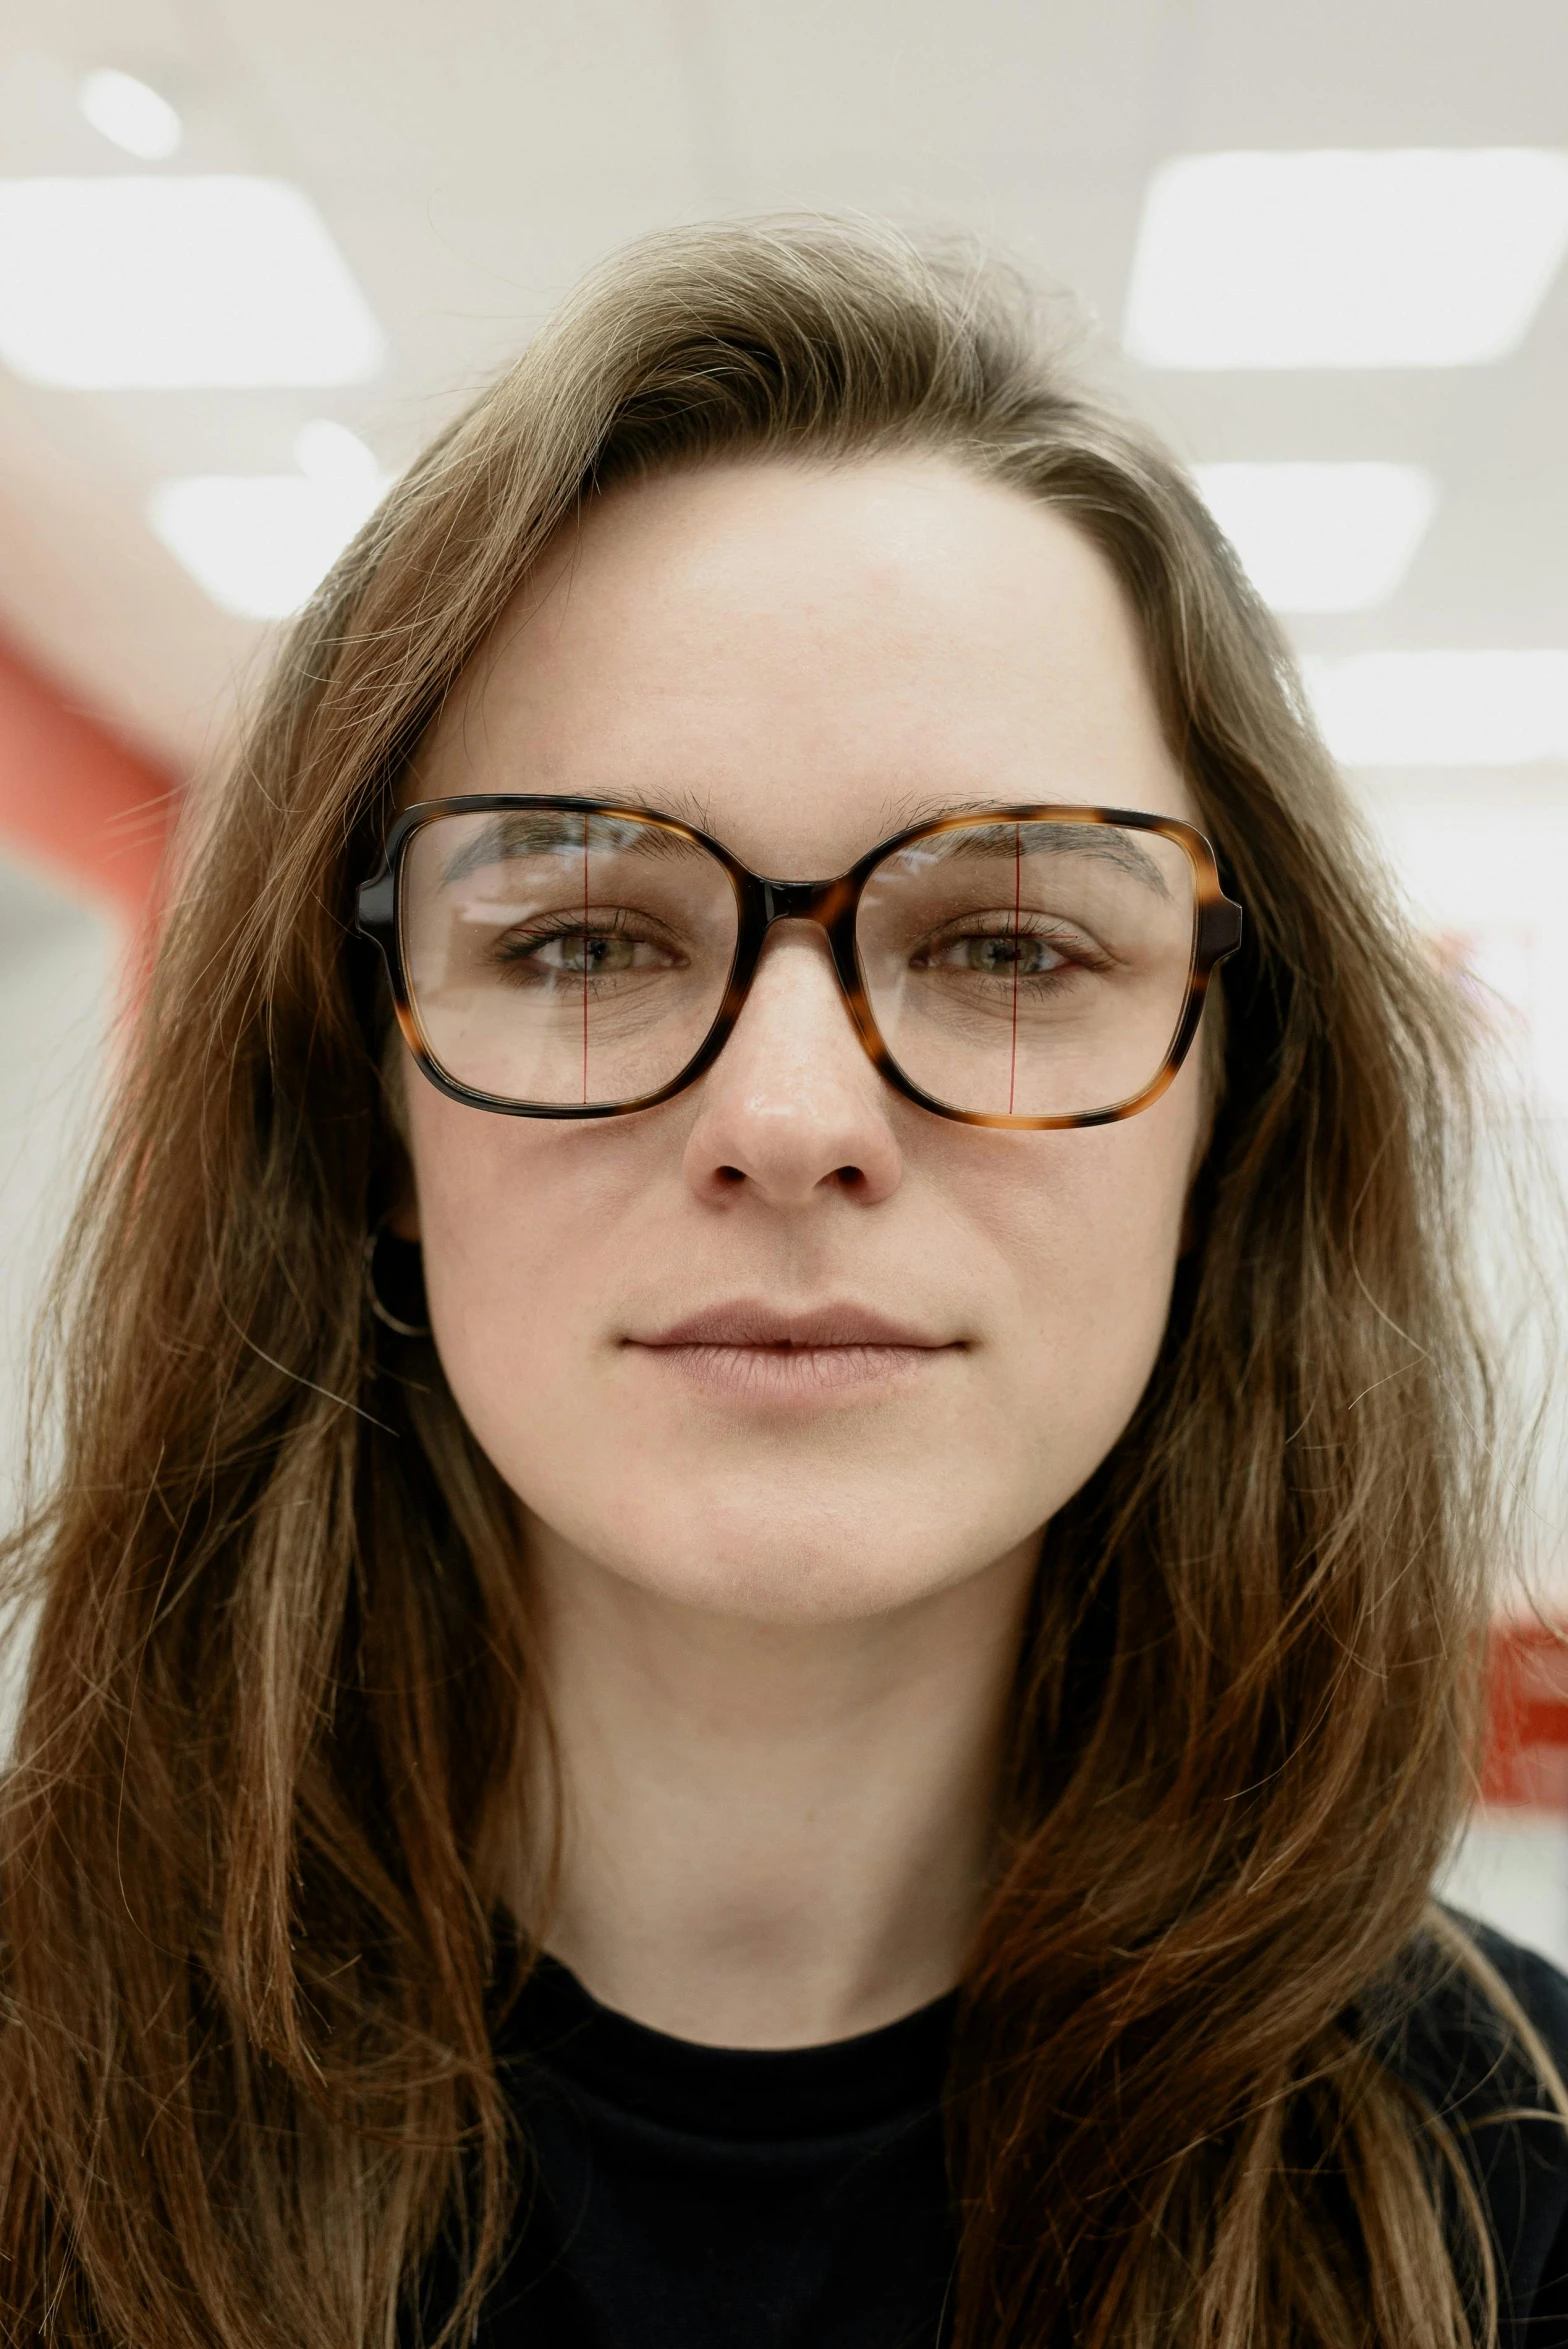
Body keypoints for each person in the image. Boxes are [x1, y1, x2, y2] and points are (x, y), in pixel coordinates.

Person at [0, 216, 1564, 2349]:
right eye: (582, 939)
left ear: (1228, 1115)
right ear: (361, 1106)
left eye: (1011, 948)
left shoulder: (1522, 2198)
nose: (796, 1113)